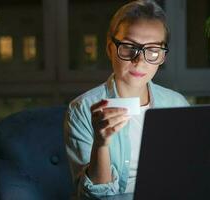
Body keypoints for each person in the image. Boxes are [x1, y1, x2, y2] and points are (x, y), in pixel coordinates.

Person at [63, 0, 189, 198]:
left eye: (153, 50)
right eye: (129, 47)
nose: (139, 61)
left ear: (163, 57)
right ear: (110, 48)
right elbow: (95, 197)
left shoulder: (177, 104)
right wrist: (101, 143)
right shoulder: (82, 109)